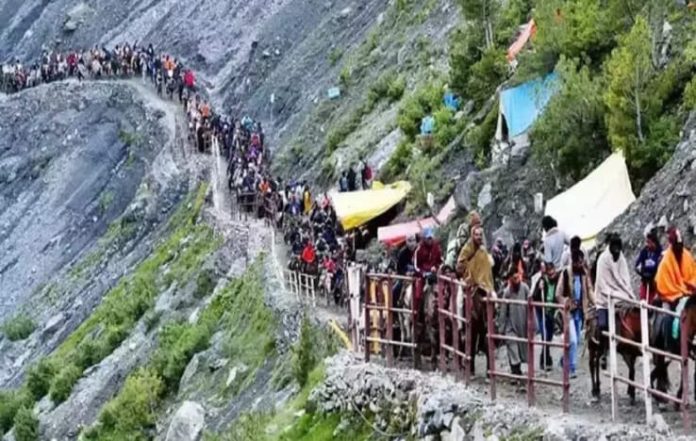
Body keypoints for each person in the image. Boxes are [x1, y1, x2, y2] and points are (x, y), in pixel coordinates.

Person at [556, 248, 595, 378]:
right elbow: (558, 293)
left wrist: (595, 302)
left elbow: (589, 290)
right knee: (572, 340)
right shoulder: (565, 274)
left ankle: (563, 360)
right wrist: (565, 301)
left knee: (576, 340)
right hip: (569, 312)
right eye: (578, 262)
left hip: (580, 312)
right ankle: (571, 367)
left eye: (581, 262)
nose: (580, 264)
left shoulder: (584, 275)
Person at [655, 227, 696, 338]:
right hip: (671, 298)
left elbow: (693, 276)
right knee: (668, 317)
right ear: (672, 245)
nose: (680, 248)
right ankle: (669, 349)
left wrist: (691, 290)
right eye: (677, 245)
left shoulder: (687, 256)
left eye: (681, 245)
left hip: (688, 295)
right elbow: (663, 285)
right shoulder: (665, 262)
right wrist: (680, 294)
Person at [594, 234, 636, 335]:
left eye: (618, 249)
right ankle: (603, 347)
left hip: (620, 295)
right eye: (614, 249)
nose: (617, 252)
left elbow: (625, 279)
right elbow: (602, 284)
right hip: (604, 298)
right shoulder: (602, 260)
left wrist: (629, 293)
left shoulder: (622, 259)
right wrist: (613, 295)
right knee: (603, 324)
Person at [497, 269, 530, 378]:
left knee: (521, 349)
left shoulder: (525, 288)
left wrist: (531, 324)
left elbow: (531, 306)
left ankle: (517, 370)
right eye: (513, 278)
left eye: (517, 277)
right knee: (512, 346)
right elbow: (503, 311)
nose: (516, 280)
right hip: (510, 326)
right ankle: (515, 372)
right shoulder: (507, 292)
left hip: (522, 323)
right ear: (510, 279)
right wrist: (501, 329)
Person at [532, 262, 559, 371]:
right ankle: (545, 360)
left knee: (549, 336)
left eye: (553, 273)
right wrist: (539, 289)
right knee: (545, 336)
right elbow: (534, 296)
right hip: (542, 310)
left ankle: (545, 357)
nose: (552, 276)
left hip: (551, 311)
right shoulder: (542, 281)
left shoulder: (558, 281)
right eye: (550, 274)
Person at [456, 225, 494, 295]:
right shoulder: (467, 248)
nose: (479, 237)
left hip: (483, 280)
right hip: (470, 277)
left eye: (480, 235)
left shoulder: (483, 250)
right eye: (476, 235)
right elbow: (460, 264)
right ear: (472, 236)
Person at [635, 229, 662, 304]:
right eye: (647, 242)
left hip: (655, 283)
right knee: (643, 302)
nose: (647, 244)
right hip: (645, 281)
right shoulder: (644, 251)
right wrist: (642, 272)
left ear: (654, 243)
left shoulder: (659, 252)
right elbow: (637, 265)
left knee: (653, 303)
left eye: (649, 242)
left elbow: (661, 267)